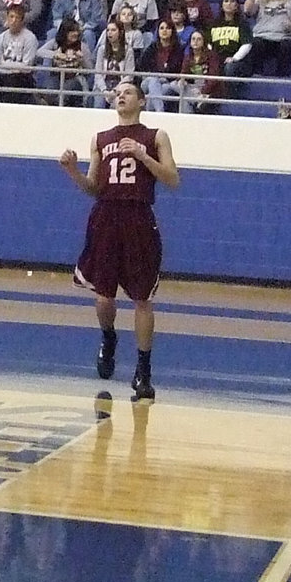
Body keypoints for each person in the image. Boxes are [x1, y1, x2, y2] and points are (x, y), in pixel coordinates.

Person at [59, 81, 179, 402]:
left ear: (142, 101)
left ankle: (143, 371)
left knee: (142, 298)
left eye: (127, 92)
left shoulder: (156, 136)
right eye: (117, 92)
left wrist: (143, 156)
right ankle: (108, 337)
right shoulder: (100, 139)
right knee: (103, 298)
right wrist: (72, 172)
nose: (120, 95)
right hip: (106, 216)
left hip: (138, 218)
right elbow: (93, 188)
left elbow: (173, 179)